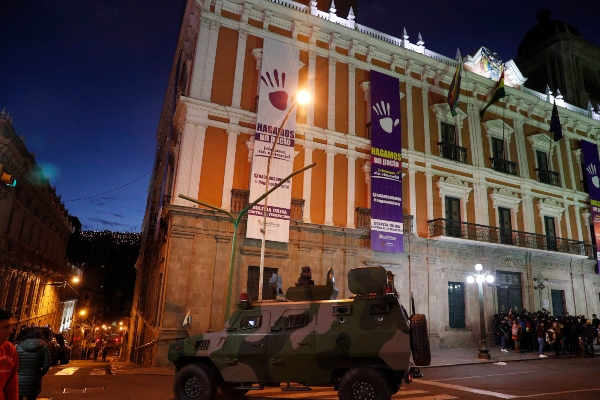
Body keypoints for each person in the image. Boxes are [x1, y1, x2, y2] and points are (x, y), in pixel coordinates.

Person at [15, 328, 50, 400]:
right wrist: (39, 374)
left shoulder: (19, 346)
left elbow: (14, 362)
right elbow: (47, 364)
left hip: (19, 378)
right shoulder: (44, 346)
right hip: (34, 379)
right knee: (32, 398)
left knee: (18, 397)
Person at [0, 309, 19, 400]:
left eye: (11, 327)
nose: (11, 331)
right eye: (5, 327)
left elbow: (12, 385)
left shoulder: (9, 349)